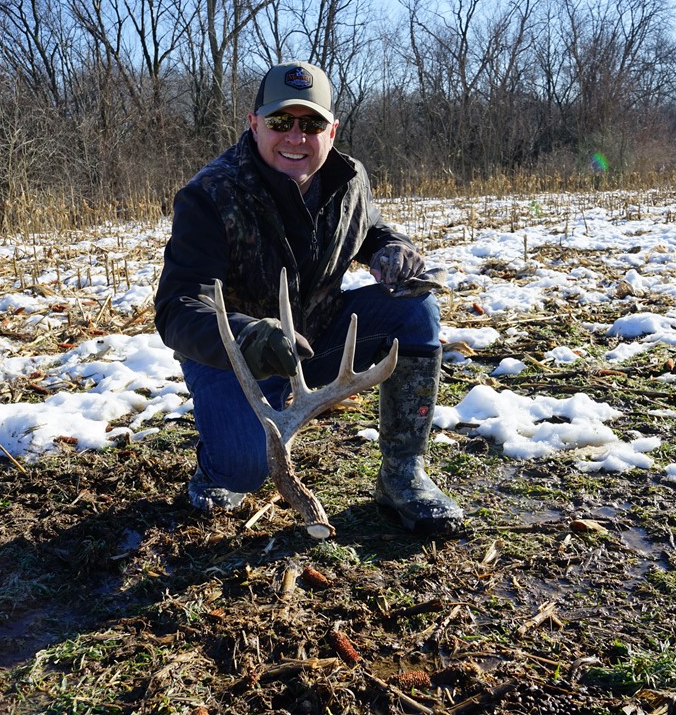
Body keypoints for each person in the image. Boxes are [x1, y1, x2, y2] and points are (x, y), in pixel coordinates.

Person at [154, 61, 463, 535]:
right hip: (234, 356)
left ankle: (403, 476)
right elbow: (178, 306)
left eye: (311, 123)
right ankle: (218, 467)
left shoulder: (348, 179)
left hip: (317, 341)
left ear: (332, 130)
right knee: (244, 469)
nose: (296, 137)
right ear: (254, 124)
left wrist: (389, 247)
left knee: (415, 307)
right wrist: (247, 335)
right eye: (281, 122)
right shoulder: (210, 195)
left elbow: (368, 229)